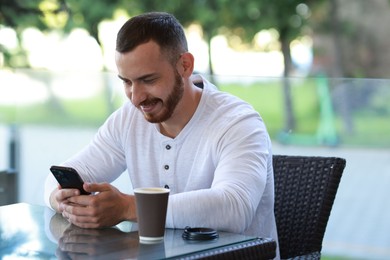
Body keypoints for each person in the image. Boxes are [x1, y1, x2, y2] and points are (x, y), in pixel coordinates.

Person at [44, 11, 279, 255]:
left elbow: (234, 208)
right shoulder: (128, 119)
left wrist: (129, 207)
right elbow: (59, 176)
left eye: (148, 79)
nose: (136, 98)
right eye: (127, 82)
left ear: (185, 66)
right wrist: (61, 200)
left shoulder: (238, 122)